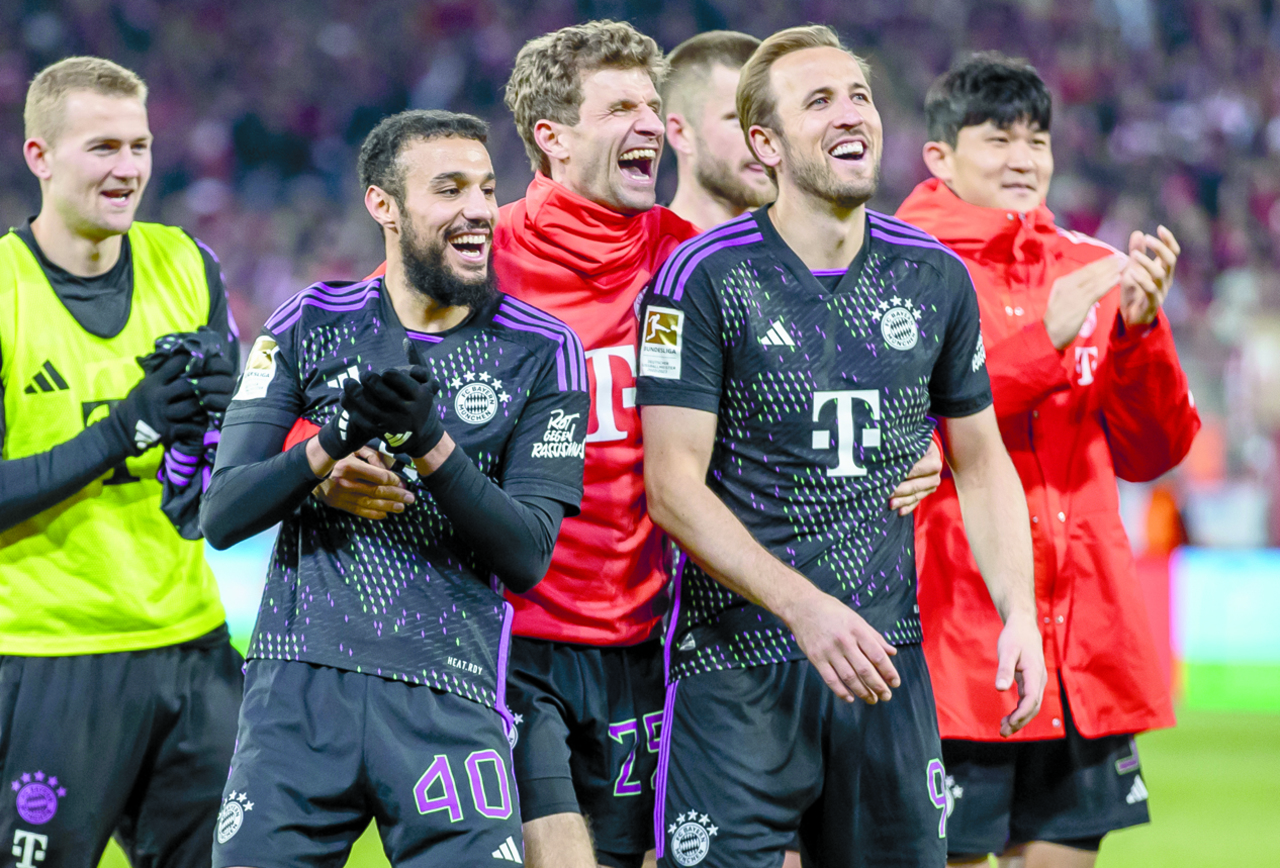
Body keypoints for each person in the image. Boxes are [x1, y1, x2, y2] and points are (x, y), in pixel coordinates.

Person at [636, 26, 1047, 868]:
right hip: (738, 668)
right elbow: (672, 487)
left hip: (885, 667)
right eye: (819, 101)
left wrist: (1020, 613)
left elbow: (981, 461)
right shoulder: (702, 279)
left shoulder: (933, 275)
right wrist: (804, 609)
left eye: (858, 95)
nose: (851, 113)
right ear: (767, 144)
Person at [200, 110, 588, 868]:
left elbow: (526, 554)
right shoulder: (309, 320)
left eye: (487, 189)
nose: (479, 210)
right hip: (297, 690)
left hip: (450, 696)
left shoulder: (542, 349)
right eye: (450, 189)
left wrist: (430, 443)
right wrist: (328, 449)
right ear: (384, 205)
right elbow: (224, 512)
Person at [897, 53, 1200, 868]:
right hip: (955, 639)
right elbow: (899, 438)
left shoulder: (1086, 268)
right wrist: (1043, 343)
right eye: (998, 139)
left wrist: (1139, 334)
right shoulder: (898, 269)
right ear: (940, 156)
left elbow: (1153, 451)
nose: (1023, 159)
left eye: (1037, 139)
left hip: (1081, 646)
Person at [0, 57, 241, 868]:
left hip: (194, 646)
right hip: (48, 657)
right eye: (103, 147)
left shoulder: (186, 263)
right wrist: (123, 431)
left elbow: (218, 465)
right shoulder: (4, 291)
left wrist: (230, 415)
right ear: (40, 156)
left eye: (139, 146)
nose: (128, 168)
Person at [663, 31, 773, 230]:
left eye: (771, 119)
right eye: (740, 120)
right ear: (681, 134)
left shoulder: (809, 246)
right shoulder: (644, 249)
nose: (765, 138)